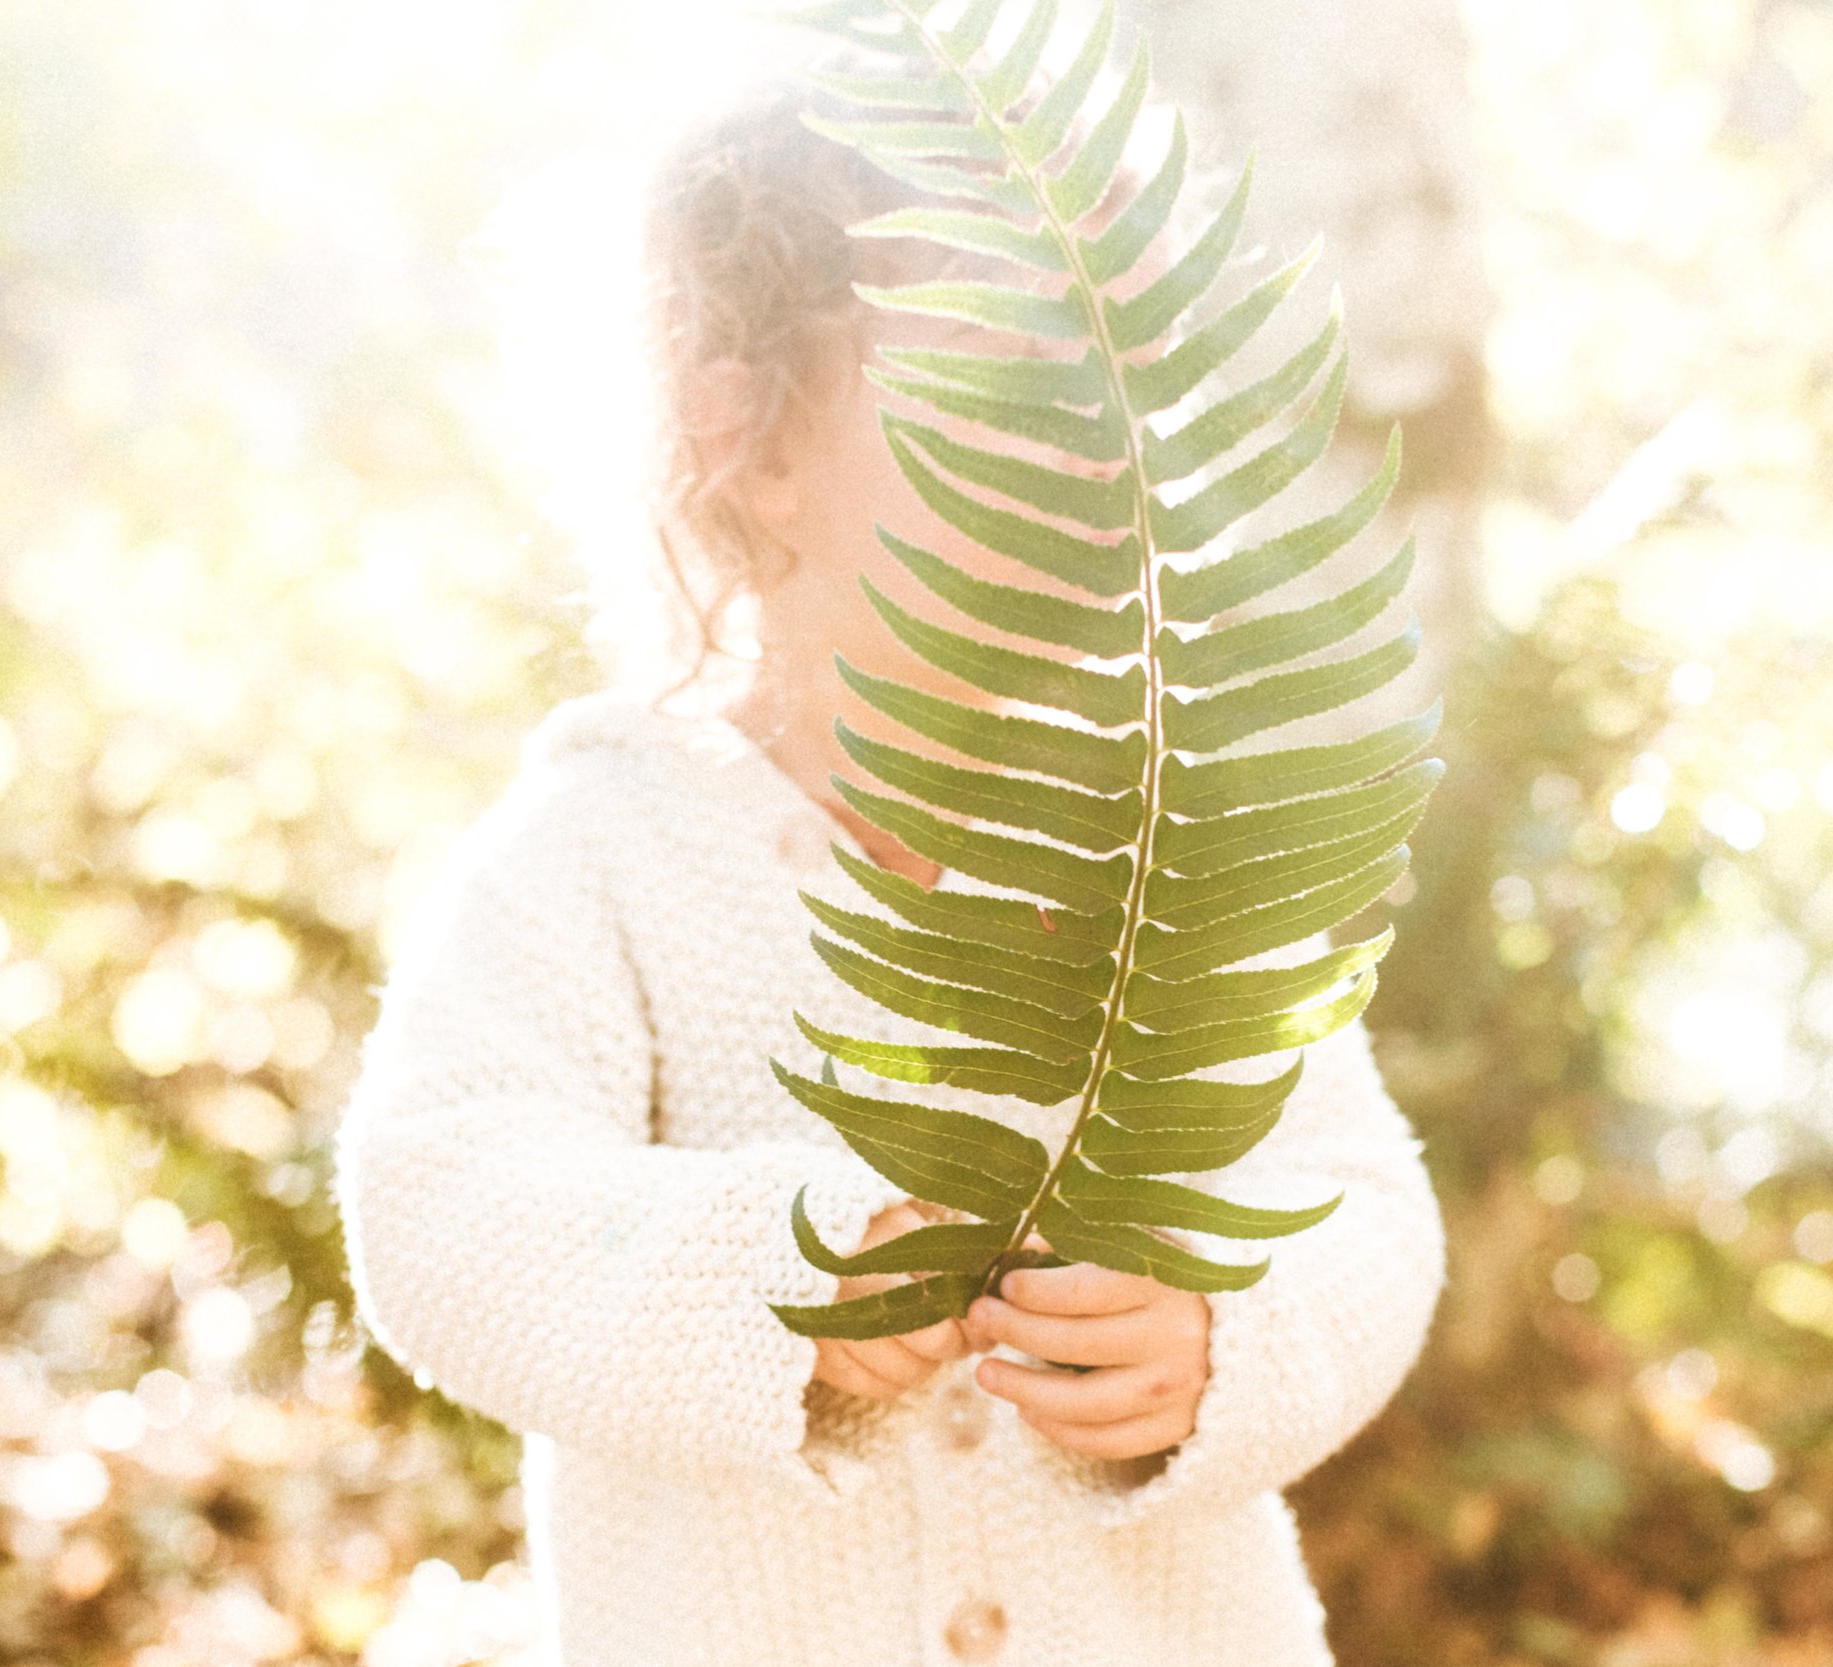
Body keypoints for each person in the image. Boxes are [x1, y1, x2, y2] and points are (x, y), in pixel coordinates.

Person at [333, 58, 1446, 1667]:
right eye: (1000, 403)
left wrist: (1227, 1333)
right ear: (753, 448)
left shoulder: (1149, 843)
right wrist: (762, 1274)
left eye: (1098, 407)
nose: (1078, 465)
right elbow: (438, 1195)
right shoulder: (606, 849)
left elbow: (1358, 1199)